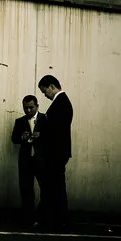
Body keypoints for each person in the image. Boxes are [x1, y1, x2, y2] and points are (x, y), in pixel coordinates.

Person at [38, 75, 73, 229]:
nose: (44, 95)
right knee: (55, 187)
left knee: (54, 187)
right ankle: (57, 218)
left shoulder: (60, 103)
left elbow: (54, 130)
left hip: (55, 154)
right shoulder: (62, 102)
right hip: (58, 153)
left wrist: (42, 130)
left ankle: (57, 219)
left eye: (45, 91)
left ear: (52, 87)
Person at [11, 95, 47, 226]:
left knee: (47, 189)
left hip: (42, 160)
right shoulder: (19, 121)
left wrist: (42, 136)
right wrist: (21, 136)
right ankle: (28, 217)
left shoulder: (45, 119)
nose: (28, 111)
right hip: (26, 161)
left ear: (37, 106)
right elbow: (14, 139)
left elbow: (54, 138)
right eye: (25, 108)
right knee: (26, 190)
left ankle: (42, 215)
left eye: (31, 107)